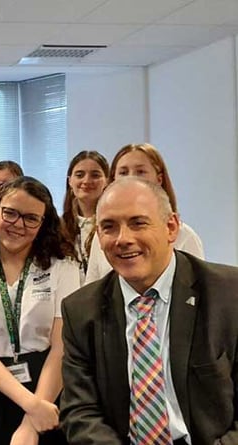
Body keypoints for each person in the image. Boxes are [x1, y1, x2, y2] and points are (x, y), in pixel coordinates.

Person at [60, 177, 238, 444]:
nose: (123, 239)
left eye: (138, 223)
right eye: (109, 227)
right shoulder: (80, 311)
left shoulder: (228, 294)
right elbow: (80, 412)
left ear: (171, 227)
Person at [0, 176, 80, 445]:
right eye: (10, 213)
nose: (18, 225)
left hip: (50, 388)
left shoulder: (63, 267)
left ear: (43, 224)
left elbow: (61, 347)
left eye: (31, 218)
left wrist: (32, 421)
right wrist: (30, 406)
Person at [85, 143, 204, 283]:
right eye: (123, 173)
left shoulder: (186, 236)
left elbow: (197, 287)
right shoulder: (103, 235)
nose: (131, 179)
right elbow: (92, 287)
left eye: (140, 172)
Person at [60, 151, 109, 283]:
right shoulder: (58, 227)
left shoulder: (111, 227)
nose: (87, 181)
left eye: (95, 175)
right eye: (80, 175)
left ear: (107, 181)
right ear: (70, 181)